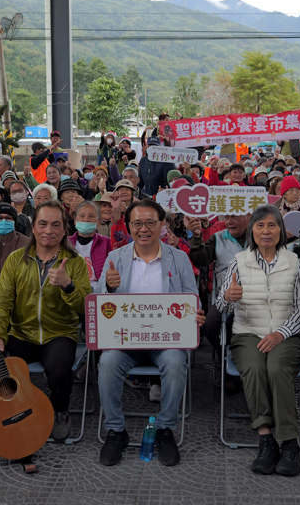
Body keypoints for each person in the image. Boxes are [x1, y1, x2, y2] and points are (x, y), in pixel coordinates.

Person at [95, 199, 204, 467]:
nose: (144, 229)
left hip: (164, 341)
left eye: (151, 223)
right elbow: (98, 303)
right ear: (129, 225)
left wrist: (196, 314)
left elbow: (193, 298)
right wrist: (108, 289)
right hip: (124, 340)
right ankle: (116, 431)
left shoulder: (178, 258)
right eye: (137, 223)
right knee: (107, 363)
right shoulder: (115, 258)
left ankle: (165, 429)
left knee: (176, 362)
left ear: (162, 225)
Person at [214, 206, 300, 477]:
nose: (266, 231)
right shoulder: (239, 261)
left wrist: (280, 333)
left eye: (272, 225)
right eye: (260, 226)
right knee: (255, 369)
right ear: (252, 231)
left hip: (285, 333)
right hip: (247, 332)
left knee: (277, 369)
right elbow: (220, 306)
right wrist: (229, 297)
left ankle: (289, 443)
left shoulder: (294, 262)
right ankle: (266, 439)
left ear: (281, 230)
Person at [0, 201, 91, 450]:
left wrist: (68, 285)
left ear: (65, 229)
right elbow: (1, 304)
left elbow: (86, 308)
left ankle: (60, 410)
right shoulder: (15, 260)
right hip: (21, 333)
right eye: (43, 224)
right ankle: (4, 413)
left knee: (58, 370)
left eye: (56, 224)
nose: (49, 230)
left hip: (59, 333)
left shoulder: (75, 262)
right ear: (33, 227)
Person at [185, 213, 251, 361]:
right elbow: (200, 260)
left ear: (248, 216)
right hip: (226, 296)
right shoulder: (218, 238)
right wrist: (196, 237)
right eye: (226, 217)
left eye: (234, 217)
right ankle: (228, 358)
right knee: (210, 324)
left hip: (256, 295)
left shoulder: (259, 236)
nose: (229, 222)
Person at [68, 200, 111, 291]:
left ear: (98, 222)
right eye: (82, 216)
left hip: (98, 292)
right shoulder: (66, 243)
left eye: (91, 216)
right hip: (72, 290)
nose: (86, 219)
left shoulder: (106, 243)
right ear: (75, 220)